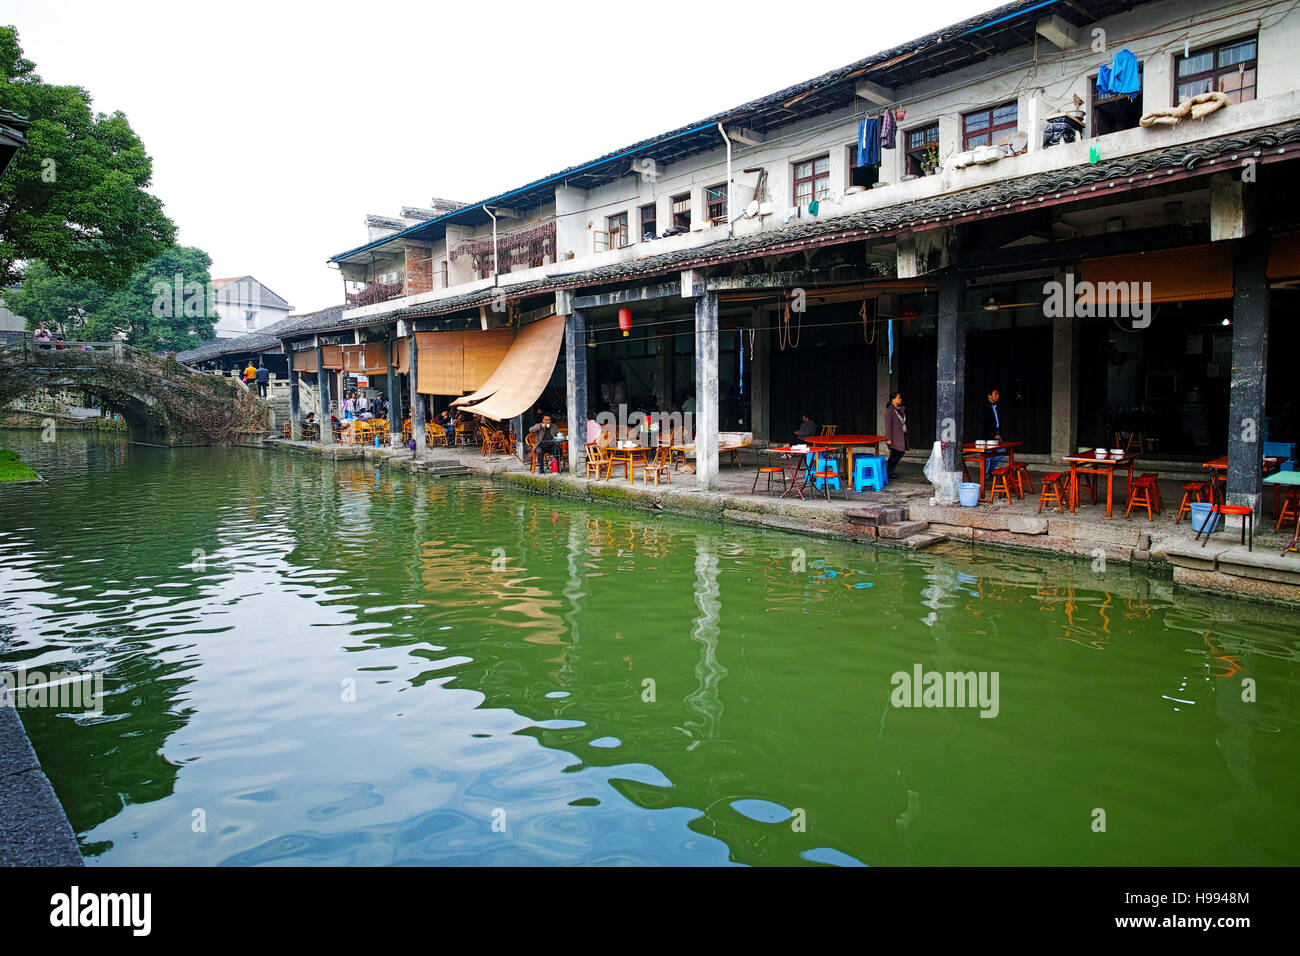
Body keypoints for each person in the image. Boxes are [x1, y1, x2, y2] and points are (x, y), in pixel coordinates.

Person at [981, 387, 1005, 478]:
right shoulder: (986, 407)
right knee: (988, 454)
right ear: (989, 396)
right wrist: (992, 434)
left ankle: (990, 470)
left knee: (1001, 452)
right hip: (989, 434)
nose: (998, 396)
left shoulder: (996, 407)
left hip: (996, 432)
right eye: (995, 394)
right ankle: (986, 473)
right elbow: (985, 423)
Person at [884, 391, 907, 480]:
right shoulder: (890, 411)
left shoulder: (900, 409)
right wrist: (889, 438)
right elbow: (888, 425)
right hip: (894, 436)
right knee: (896, 453)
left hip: (901, 435)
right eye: (899, 398)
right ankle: (890, 471)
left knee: (899, 452)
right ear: (893, 399)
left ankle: (890, 471)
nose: (900, 399)